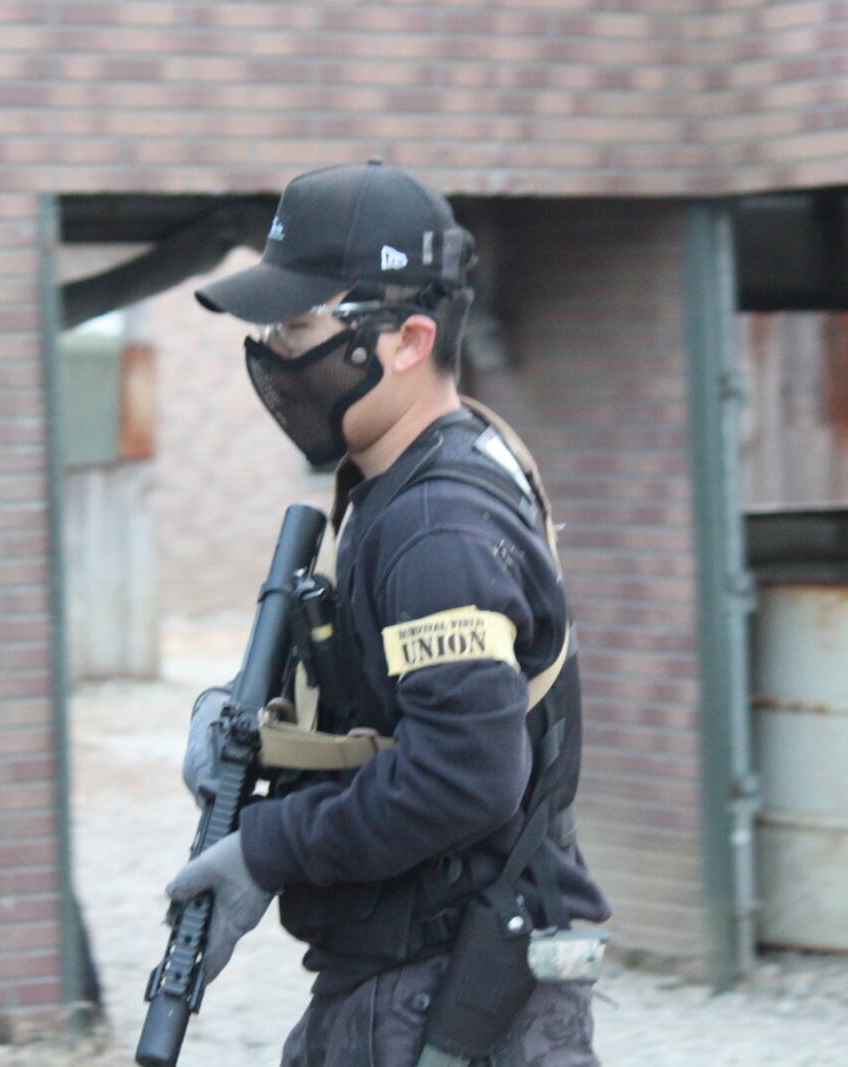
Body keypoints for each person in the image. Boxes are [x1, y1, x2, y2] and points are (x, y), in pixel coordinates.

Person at [166, 160, 610, 1067]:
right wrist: (245, 728)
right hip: (420, 977)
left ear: (408, 340)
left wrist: (266, 849)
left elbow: (463, 775)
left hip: (447, 993)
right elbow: (381, 711)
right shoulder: (412, 481)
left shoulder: (436, 524)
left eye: (297, 326)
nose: (274, 355)